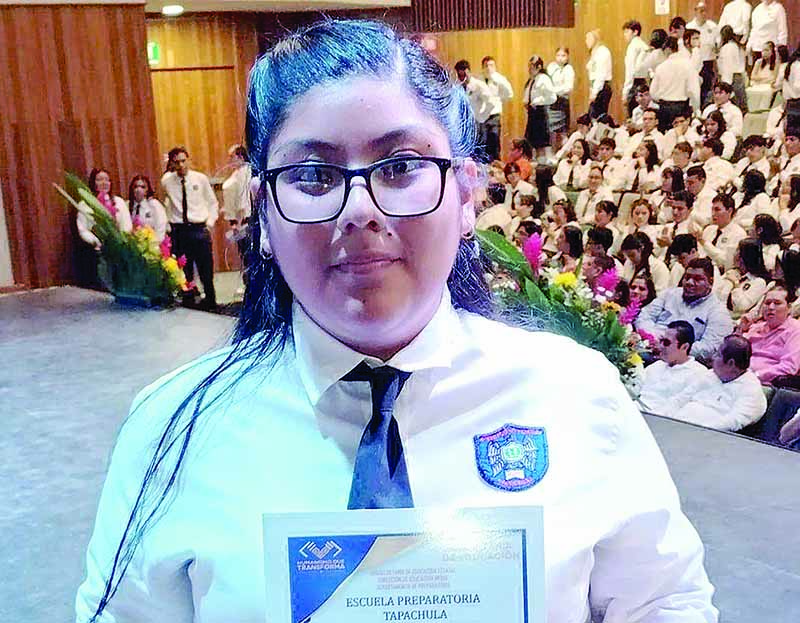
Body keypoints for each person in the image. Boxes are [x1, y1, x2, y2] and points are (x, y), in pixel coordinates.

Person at [76, 21, 719, 623]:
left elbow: (665, 601)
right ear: (262, 213)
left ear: (465, 195)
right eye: (312, 175)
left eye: (401, 167)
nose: (358, 209)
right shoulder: (173, 431)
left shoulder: (576, 394)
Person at [637, 257, 734, 361]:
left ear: (710, 282)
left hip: (684, 363)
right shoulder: (669, 294)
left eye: (697, 279)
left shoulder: (718, 312)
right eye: (687, 277)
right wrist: (652, 338)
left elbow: (709, 348)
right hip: (649, 348)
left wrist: (670, 348)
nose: (689, 282)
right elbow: (643, 317)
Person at [161, 146, 219, 310]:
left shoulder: (200, 179)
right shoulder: (167, 181)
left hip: (198, 228)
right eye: (177, 162)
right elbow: (166, 204)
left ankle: (211, 302)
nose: (181, 165)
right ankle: (189, 302)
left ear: (188, 160)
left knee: (205, 268)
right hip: (179, 230)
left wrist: (210, 223)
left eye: (183, 161)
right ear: (172, 163)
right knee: (184, 270)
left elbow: (212, 202)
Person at [669, 335, 767, 430]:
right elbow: (680, 399)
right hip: (675, 424)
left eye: (718, 355)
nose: (713, 357)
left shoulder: (751, 389)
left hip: (704, 434)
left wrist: (696, 430)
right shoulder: (710, 374)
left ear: (731, 363)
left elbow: (733, 422)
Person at [639, 320, 709, 415]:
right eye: (661, 341)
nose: (661, 346)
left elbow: (682, 409)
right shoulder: (656, 365)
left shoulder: (698, 373)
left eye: (666, 343)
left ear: (684, 347)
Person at [742, 284, 800, 382]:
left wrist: (756, 376)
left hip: (767, 383)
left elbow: (789, 366)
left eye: (777, 303)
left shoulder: (795, 330)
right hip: (741, 376)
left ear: (789, 308)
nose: (771, 307)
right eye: (767, 303)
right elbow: (735, 353)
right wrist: (740, 330)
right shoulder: (755, 327)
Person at [649, 37, 701, 133]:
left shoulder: (661, 67)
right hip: (681, 106)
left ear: (667, 50)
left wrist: (661, 100)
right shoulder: (688, 65)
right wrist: (696, 108)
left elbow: (653, 92)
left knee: (665, 137)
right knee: (682, 136)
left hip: (664, 108)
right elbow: (694, 90)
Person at [76, 167, 133, 250]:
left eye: (107, 180)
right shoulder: (85, 204)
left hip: (120, 247)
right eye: (99, 180)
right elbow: (83, 229)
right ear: (93, 183)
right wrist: (96, 242)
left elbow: (127, 225)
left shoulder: (118, 202)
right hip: (96, 249)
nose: (104, 183)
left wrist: (122, 240)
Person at [722, 237, 772, 318]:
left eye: (737, 250)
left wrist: (736, 285)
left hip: (735, 319)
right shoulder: (732, 272)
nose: (734, 254)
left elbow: (742, 306)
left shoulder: (759, 282)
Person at [455, 59, 494, 161]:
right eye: (460, 76)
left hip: (477, 123)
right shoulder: (457, 88)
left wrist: (482, 117)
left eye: (464, 75)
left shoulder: (479, 85)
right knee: (466, 153)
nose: (462, 78)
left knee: (479, 154)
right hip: (463, 125)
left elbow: (491, 102)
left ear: (469, 71)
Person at [479, 56, 514, 162]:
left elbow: (509, 94)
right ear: (482, 67)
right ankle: (484, 164)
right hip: (482, 115)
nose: (489, 68)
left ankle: (495, 162)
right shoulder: (478, 80)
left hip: (494, 114)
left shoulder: (500, 79)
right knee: (483, 140)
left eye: (491, 65)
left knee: (494, 138)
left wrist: (498, 99)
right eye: (486, 66)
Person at [221, 144, 253, 260]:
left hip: (246, 220)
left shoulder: (246, 172)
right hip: (239, 220)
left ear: (241, 157)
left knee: (249, 255)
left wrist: (239, 222)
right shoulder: (237, 174)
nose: (230, 160)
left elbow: (243, 200)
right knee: (244, 255)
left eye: (232, 157)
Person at [701, 193, 748, 272]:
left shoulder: (739, 234)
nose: (713, 214)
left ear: (729, 211)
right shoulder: (708, 230)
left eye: (717, 210)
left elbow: (726, 262)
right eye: (712, 209)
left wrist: (705, 243)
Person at [522, 55, 556, 162]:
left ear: (539, 67)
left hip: (540, 113)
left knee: (540, 143)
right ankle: (534, 162)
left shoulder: (544, 79)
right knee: (531, 142)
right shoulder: (532, 80)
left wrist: (538, 101)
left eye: (532, 66)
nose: (529, 69)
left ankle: (541, 163)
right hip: (532, 113)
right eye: (529, 66)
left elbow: (552, 97)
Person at [686, 2, 720, 106]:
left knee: (707, 89)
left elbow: (718, 43)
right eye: (701, 11)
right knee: (694, 88)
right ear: (695, 12)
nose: (704, 13)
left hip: (708, 62)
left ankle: (704, 108)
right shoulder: (689, 26)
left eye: (705, 11)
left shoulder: (712, 26)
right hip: (693, 63)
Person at [547, 47, 575, 153]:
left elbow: (568, 87)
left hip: (561, 101)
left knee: (563, 131)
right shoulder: (551, 67)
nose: (560, 58)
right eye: (558, 55)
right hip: (551, 102)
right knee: (550, 130)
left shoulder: (569, 69)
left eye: (563, 56)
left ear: (567, 57)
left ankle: (565, 153)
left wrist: (554, 90)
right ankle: (552, 153)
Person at [128, 175, 168, 242]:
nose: (139, 190)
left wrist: (156, 243)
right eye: (136, 187)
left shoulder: (154, 205)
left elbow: (161, 226)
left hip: (152, 242)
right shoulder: (128, 206)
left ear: (147, 189)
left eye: (143, 187)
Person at [622, 20, 650, 116]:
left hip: (634, 84)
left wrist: (625, 92)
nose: (625, 35)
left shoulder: (633, 46)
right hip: (644, 82)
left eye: (627, 32)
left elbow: (630, 71)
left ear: (635, 32)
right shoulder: (644, 45)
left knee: (634, 114)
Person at [717, 26, 748, 111]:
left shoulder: (728, 47)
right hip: (738, 76)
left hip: (732, 77)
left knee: (736, 103)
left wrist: (726, 83)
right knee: (741, 101)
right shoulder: (737, 46)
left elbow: (728, 66)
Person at [585, 30, 613, 119]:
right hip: (596, 87)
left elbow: (601, 74)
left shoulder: (602, 52)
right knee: (592, 116)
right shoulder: (594, 52)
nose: (586, 41)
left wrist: (595, 92)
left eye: (589, 38)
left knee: (597, 117)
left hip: (601, 87)